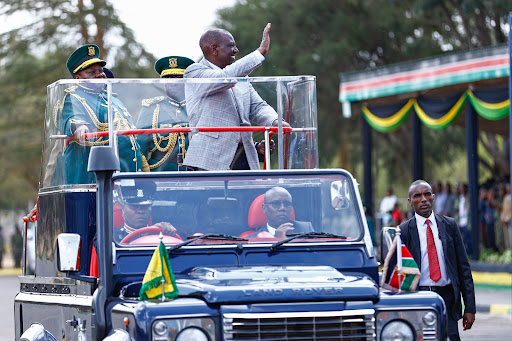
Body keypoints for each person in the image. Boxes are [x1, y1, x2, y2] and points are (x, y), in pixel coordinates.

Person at [183, 23, 289, 171]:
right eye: (231, 46)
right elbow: (223, 78)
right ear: (214, 49)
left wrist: (275, 121)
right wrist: (259, 53)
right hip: (209, 160)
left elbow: (257, 106)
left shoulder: (240, 77)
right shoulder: (194, 72)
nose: (236, 50)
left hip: (243, 158)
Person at [386, 180, 475, 340]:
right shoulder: (403, 231)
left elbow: (464, 268)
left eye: (427, 194)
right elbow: (394, 273)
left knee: (451, 337)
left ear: (433, 197)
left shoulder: (449, 225)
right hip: (418, 298)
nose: (423, 199)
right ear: (410, 201)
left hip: (447, 297)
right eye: (417, 196)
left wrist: (470, 307)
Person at [59, 44, 147, 184]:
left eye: (100, 70)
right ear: (77, 78)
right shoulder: (74, 97)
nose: (100, 74)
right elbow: (72, 117)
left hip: (124, 172)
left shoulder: (112, 98)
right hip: (95, 177)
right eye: (91, 72)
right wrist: (79, 127)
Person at [136, 56, 195, 171]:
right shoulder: (151, 108)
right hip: (160, 173)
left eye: (178, 78)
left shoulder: (198, 106)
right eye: (168, 79)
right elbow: (140, 148)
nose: (172, 83)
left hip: (194, 173)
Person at [114, 181, 178, 242]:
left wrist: (169, 232)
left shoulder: (160, 233)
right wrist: (143, 235)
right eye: (134, 207)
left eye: (145, 207)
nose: (141, 211)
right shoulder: (114, 236)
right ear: (123, 210)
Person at [248, 187, 314, 238]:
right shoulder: (252, 239)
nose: (282, 208)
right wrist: (277, 240)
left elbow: (316, 255)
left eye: (287, 204)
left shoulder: (306, 229)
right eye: (276, 203)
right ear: (264, 208)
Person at [500, 183, 511, 250]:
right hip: (505, 221)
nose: (508, 189)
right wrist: (502, 218)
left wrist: (507, 219)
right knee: (506, 240)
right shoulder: (506, 197)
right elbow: (503, 209)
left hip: (509, 221)